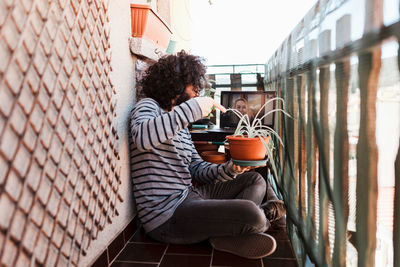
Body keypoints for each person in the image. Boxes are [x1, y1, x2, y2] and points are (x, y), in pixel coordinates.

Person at [130, 50, 286, 259]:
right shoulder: (148, 106)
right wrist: (192, 108)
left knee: (255, 179)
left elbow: (197, 169)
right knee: (253, 215)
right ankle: (257, 220)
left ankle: (224, 234)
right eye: (193, 86)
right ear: (175, 83)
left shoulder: (182, 126)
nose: (197, 92)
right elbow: (142, 137)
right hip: (167, 216)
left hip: (190, 196)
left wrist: (230, 169)